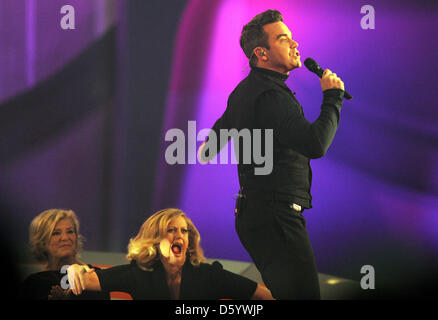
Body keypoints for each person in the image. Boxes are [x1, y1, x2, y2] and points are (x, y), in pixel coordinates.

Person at [198, 9, 346, 299]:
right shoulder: (272, 97)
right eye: (283, 38)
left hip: (254, 216)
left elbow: (207, 149)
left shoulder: (243, 93)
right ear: (261, 53)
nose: (295, 44)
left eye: (291, 37)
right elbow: (316, 144)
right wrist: (333, 98)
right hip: (276, 217)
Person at [67, 208, 274, 300]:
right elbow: (84, 280)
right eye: (172, 230)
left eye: (184, 231)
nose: (180, 236)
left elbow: (263, 296)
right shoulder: (138, 274)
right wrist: (75, 268)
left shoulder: (209, 275)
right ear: (155, 239)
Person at [19, 209, 109, 300]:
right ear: (42, 241)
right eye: (56, 233)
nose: (65, 238)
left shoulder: (95, 275)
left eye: (70, 231)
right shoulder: (34, 283)